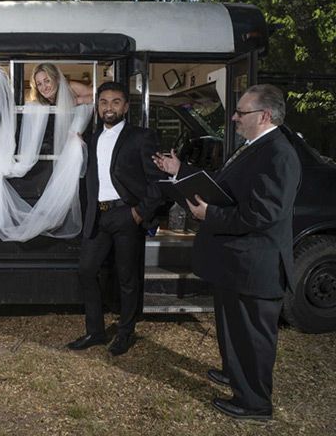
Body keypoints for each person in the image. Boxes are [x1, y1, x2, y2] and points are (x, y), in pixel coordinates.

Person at [152, 84, 301, 421]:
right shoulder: (255, 147)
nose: (233, 117)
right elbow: (222, 186)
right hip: (237, 262)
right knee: (233, 328)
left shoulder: (279, 154)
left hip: (255, 265)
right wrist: (180, 172)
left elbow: (263, 214)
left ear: (263, 116)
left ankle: (255, 404)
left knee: (253, 338)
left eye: (241, 112)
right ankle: (236, 374)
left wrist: (211, 215)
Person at [67, 81, 163, 356]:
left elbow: (158, 181)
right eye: (104, 102)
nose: (109, 107)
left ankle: (125, 333)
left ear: (126, 106)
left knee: (127, 279)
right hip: (98, 215)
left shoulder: (141, 137)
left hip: (126, 215)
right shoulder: (94, 136)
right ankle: (95, 331)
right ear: (97, 106)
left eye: (116, 102)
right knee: (86, 270)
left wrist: (139, 213)